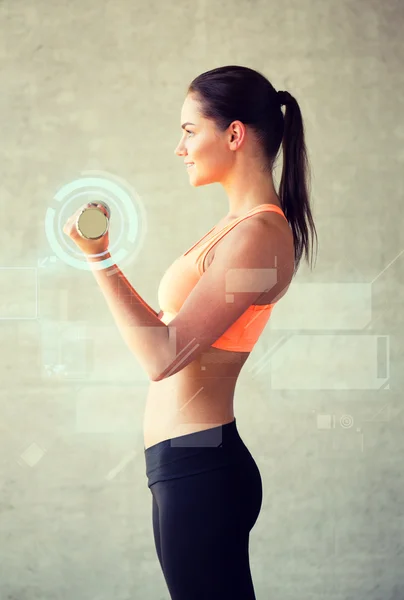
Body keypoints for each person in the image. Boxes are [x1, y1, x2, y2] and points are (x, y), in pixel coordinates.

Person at [143, 65, 318, 600]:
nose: (181, 147)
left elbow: (164, 355)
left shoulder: (260, 236)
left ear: (234, 134)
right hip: (184, 464)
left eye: (189, 130)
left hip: (199, 465)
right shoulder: (236, 228)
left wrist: (99, 256)